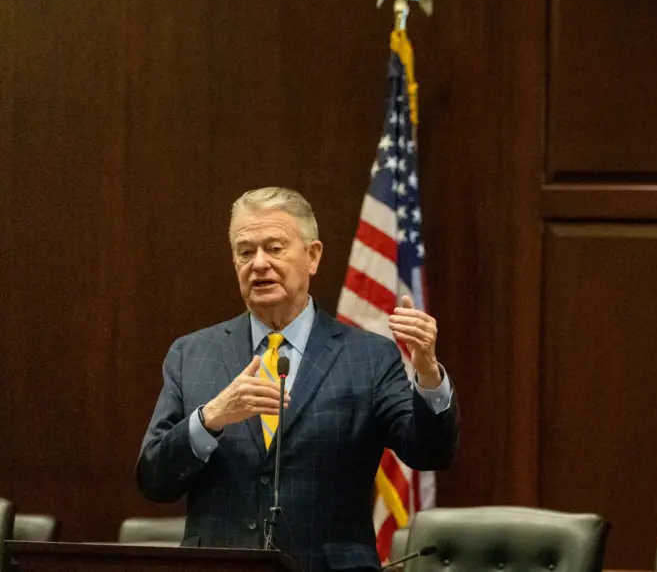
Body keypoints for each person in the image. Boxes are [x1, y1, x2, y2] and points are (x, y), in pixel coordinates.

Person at [136, 187, 458, 572]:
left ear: (313, 256)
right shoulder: (191, 354)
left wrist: (427, 373)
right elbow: (154, 480)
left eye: (274, 248)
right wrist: (210, 419)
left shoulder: (368, 356)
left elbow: (429, 452)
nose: (258, 264)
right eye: (245, 251)